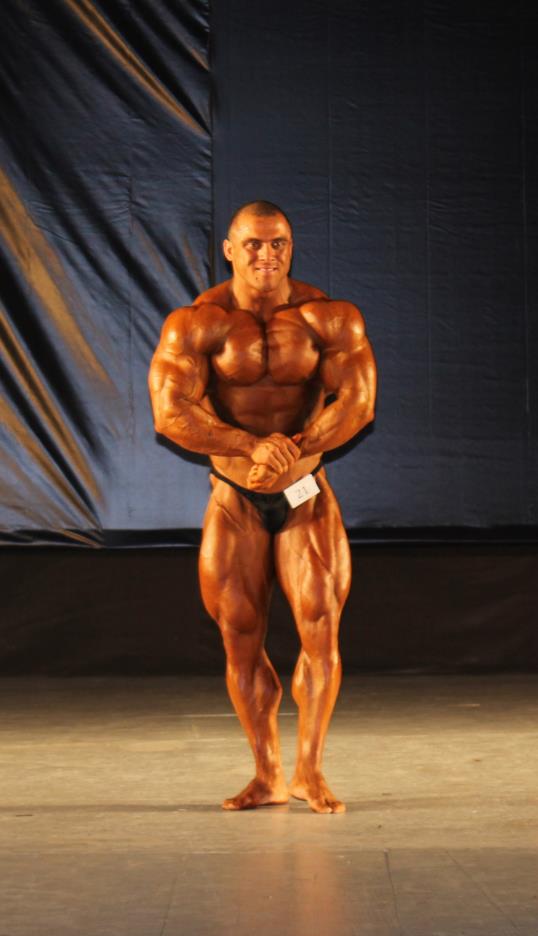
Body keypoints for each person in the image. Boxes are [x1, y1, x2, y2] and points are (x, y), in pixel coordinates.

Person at [148, 201, 376, 813]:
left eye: (278, 243)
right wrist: (251, 446)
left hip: (305, 493)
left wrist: (291, 450)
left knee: (320, 628)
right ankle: (267, 773)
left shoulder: (330, 317)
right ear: (230, 249)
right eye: (253, 244)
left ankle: (309, 771)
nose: (267, 255)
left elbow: (358, 404)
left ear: (291, 247)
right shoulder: (197, 324)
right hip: (235, 498)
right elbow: (169, 413)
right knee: (240, 637)